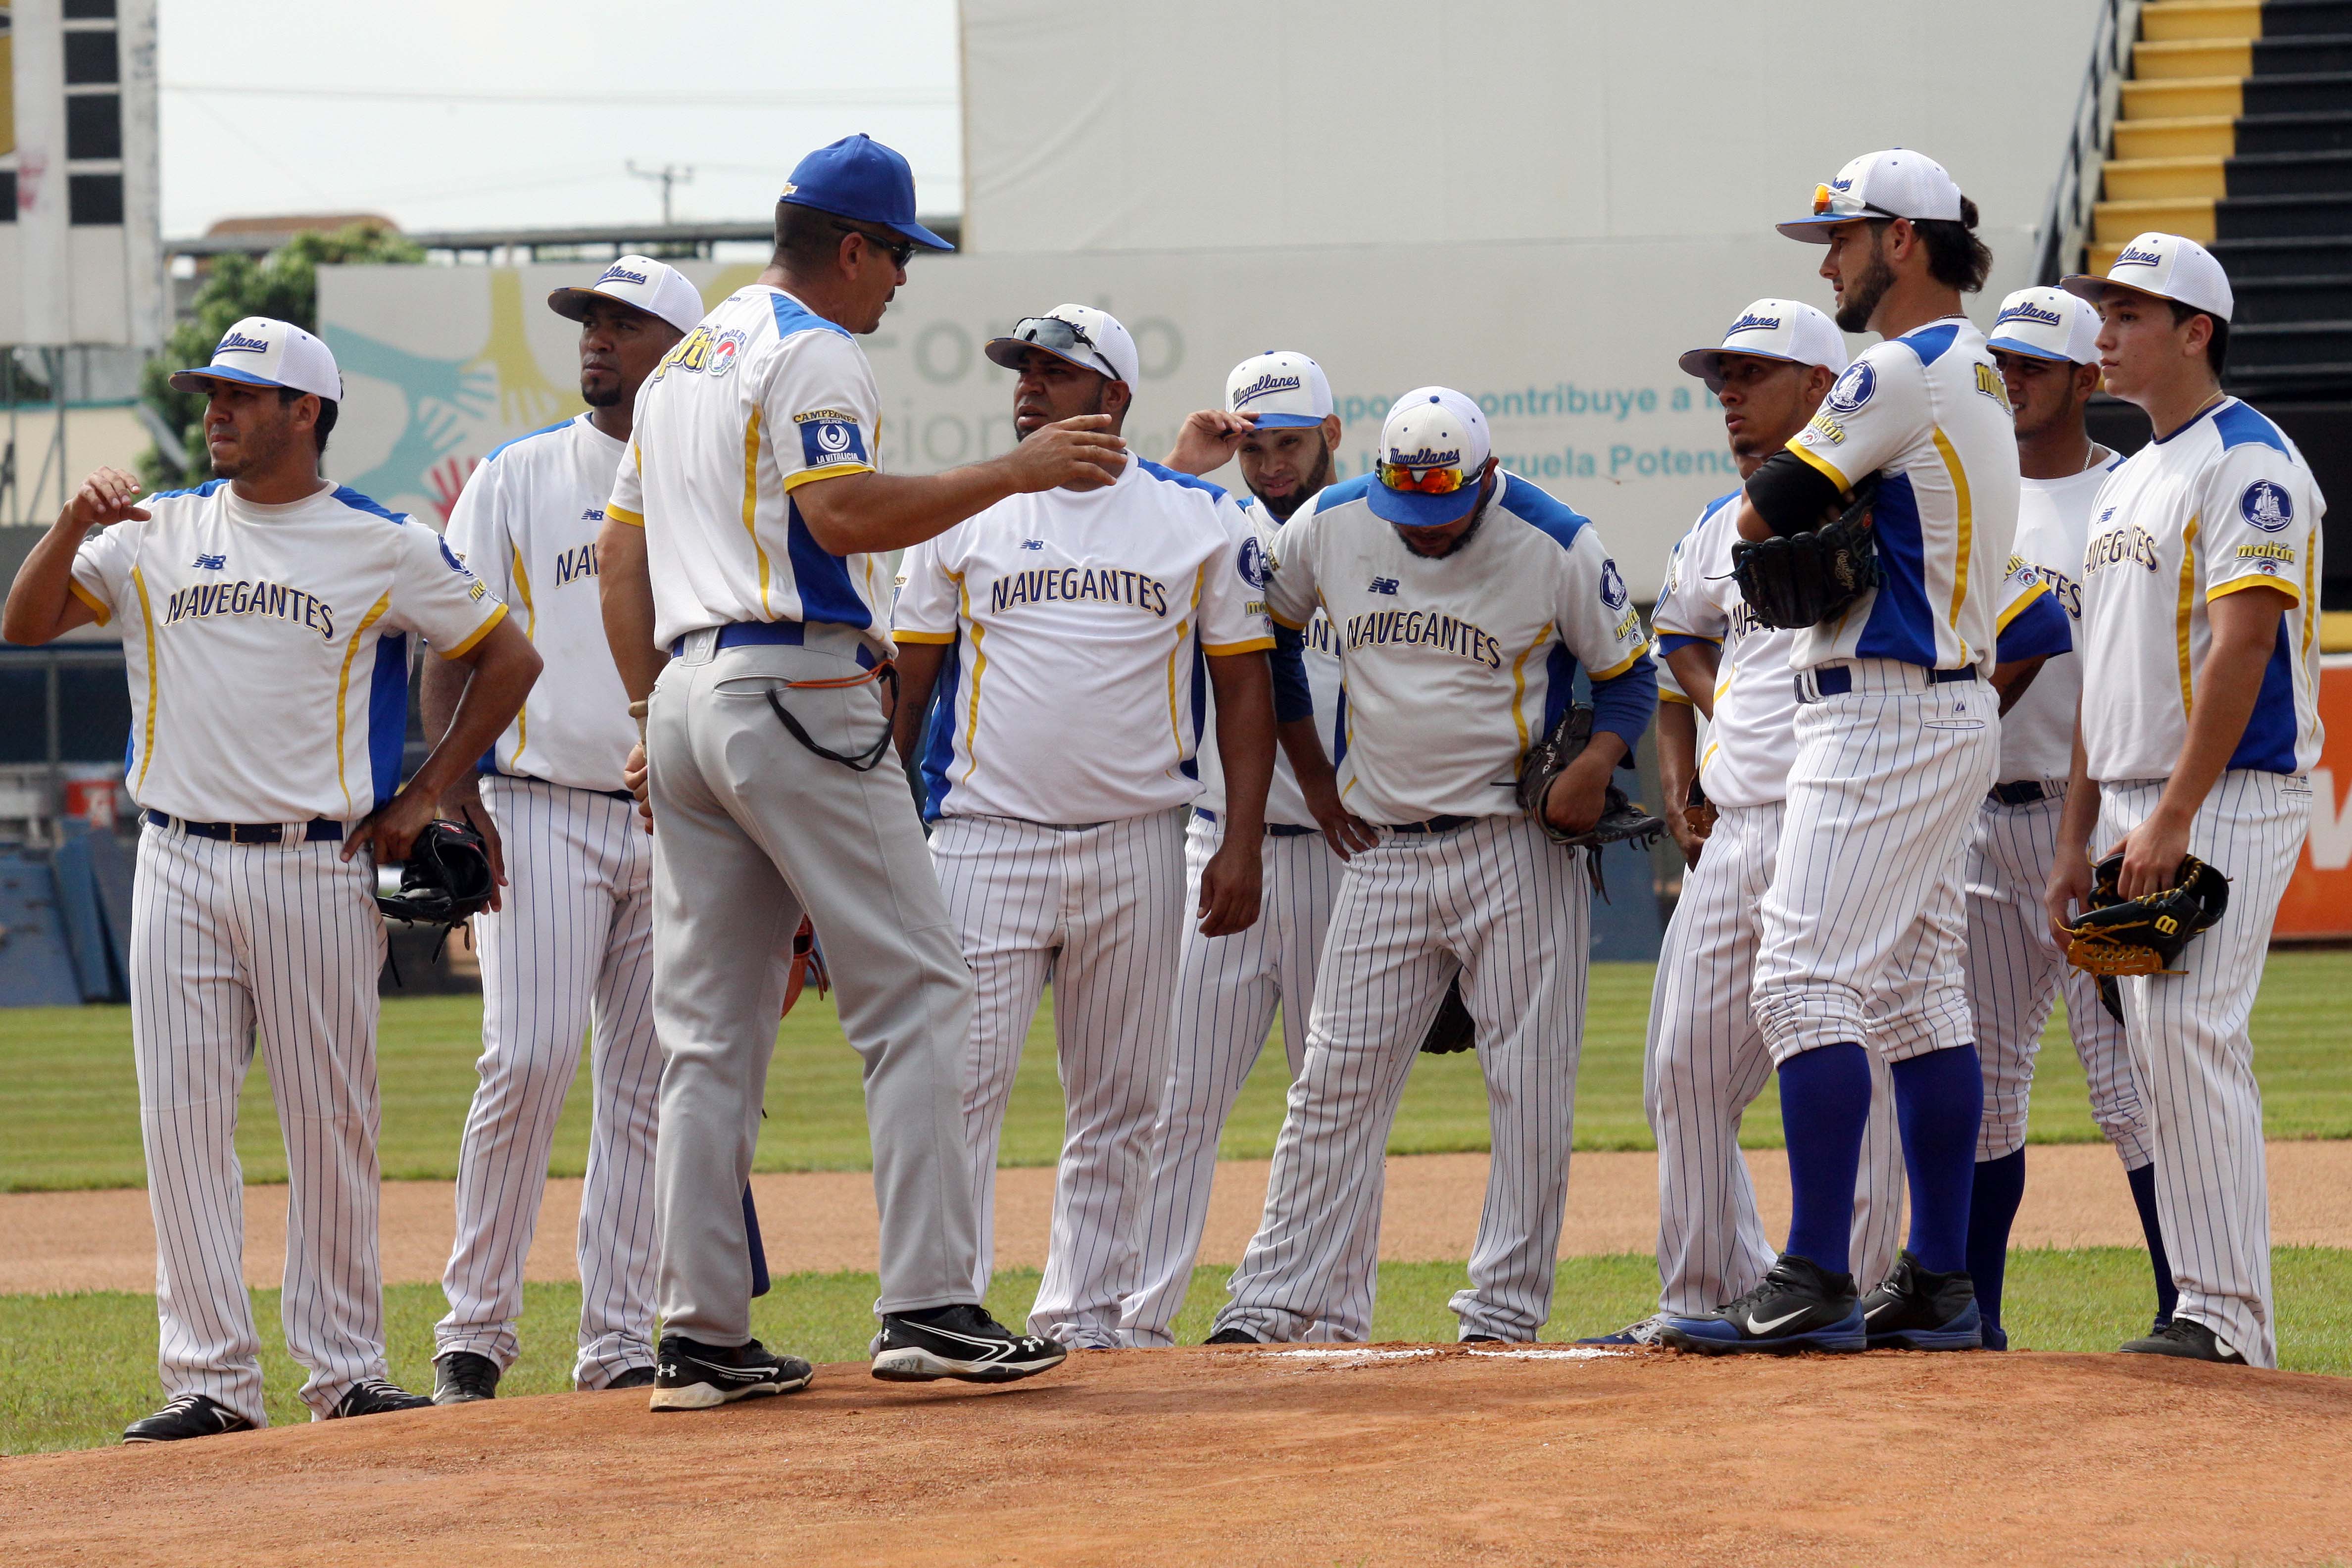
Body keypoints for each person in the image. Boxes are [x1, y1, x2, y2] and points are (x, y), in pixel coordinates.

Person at [596, 135, 1119, 1407]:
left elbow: (622, 556)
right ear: (848, 245)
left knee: (709, 1035)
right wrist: (1017, 469)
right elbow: (839, 517)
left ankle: (701, 1336)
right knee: (924, 996)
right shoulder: (812, 350)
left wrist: (643, 707)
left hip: (684, 695)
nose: (900, 281)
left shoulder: (684, 363)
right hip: (794, 679)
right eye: (895, 253)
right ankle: (931, 1306)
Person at [1, 318, 539, 1438]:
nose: (216, 411)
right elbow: (26, 621)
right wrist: (69, 523)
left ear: (308, 412)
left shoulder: (379, 542)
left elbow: (508, 654)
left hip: (313, 861)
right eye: (210, 393)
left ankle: (345, 1371)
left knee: (329, 1121)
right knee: (183, 1121)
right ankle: (209, 1379)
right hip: (178, 855)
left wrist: (429, 790)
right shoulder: (156, 529)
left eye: (242, 395)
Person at [1658, 149, 2019, 1355]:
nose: (1830, 261)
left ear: (1902, 242)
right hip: (1934, 702)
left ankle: (1813, 1274)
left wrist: (1803, 498)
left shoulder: (1905, 366)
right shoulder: (1967, 366)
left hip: (1885, 705)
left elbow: (1762, 508)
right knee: (1918, 1000)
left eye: (1844, 238)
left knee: (1801, 976)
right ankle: (1940, 1284)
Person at [1207, 387, 1658, 1345]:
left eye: (1444, 512)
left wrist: (1595, 764)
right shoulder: (1334, 525)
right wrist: (1314, 777)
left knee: (1529, 1087)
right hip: (1384, 847)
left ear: (1487, 479)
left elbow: (1631, 675)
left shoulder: (1556, 542)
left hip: (1516, 845)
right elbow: (1269, 641)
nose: (1424, 531)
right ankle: (1269, 1300)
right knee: (1334, 1081)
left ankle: (1502, 1312)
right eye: (1408, 511)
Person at [891, 305, 1279, 1349]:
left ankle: (1088, 1318)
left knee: (1119, 1100)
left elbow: (1244, 694)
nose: (1027, 387)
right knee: (955, 1087)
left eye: (1054, 373)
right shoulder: (957, 515)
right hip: (981, 836)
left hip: (1138, 838)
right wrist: (878, 844)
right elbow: (909, 690)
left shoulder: (1199, 518)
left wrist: (1239, 841)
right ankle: (935, 1307)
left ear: (1111, 396)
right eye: (1020, 370)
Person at [1590, 299, 1909, 1344]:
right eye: (1721, 378)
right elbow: (1674, 636)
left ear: (1823, 389)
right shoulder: (1711, 527)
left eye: (1752, 374)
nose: (1728, 394)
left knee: (1848, 1059)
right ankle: (1708, 1291)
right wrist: (1697, 755)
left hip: (1849, 810)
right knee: (1684, 1065)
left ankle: (1843, 1295)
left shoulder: (1886, 500)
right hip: (1737, 833)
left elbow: (2004, 630)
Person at [426, 257, 703, 1404]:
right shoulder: (519, 475)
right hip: (540, 807)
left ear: (681, 351)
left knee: (646, 1088)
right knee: (526, 1059)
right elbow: (453, 633)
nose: (596, 338)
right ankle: (474, 1333)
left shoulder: (714, 481)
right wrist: (453, 788)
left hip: (680, 814)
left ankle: (621, 1339)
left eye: (624, 322)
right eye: (589, 320)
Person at [2047, 233, 2326, 1368]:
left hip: (2223, 793)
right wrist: (2080, 836)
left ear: (2194, 330)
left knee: (2194, 1032)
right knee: (2152, 1047)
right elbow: (2096, 670)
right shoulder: (2129, 476)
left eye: (2127, 315)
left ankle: (2228, 1320)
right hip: (2130, 797)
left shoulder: (2248, 462)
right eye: (2102, 313)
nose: (2102, 335)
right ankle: (2204, 1306)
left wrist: (2169, 818)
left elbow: (2247, 643)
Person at [1120, 351, 1369, 1348]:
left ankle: (1334, 1316)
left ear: (1334, 436)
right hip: (1220, 844)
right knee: (1176, 1098)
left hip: (1347, 854)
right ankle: (1135, 1319)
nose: (1268, 465)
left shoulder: (1373, 536)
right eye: (1254, 447)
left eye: (1290, 444)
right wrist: (1183, 467)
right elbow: (1123, 554)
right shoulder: (1208, 531)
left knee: (1337, 1102)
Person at [1965, 284, 2173, 1351]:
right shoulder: (1974, 493)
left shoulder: (2129, 492)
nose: (2012, 383)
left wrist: (2105, 830)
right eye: (2001, 364)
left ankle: (2187, 1308)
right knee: (1987, 1087)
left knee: (2130, 1086)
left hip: (2091, 819)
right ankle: (1979, 1324)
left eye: (2035, 367)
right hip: (1982, 821)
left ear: (2089, 377)